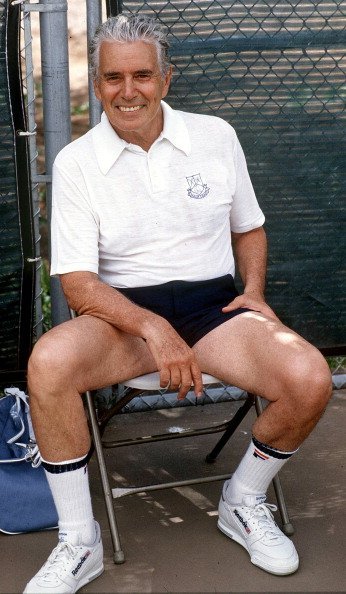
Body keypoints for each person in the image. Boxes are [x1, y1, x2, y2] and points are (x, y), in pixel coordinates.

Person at [24, 13, 332, 593]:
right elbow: (78, 285)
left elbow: (250, 228)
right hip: (123, 316)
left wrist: (254, 293)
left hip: (214, 308)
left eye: (142, 75)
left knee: (310, 376)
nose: (127, 91)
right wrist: (153, 328)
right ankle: (79, 540)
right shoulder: (77, 163)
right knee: (49, 363)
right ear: (97, 85)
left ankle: (242, 501)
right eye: (113, 78)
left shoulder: (216, 135)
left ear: (167, 79)